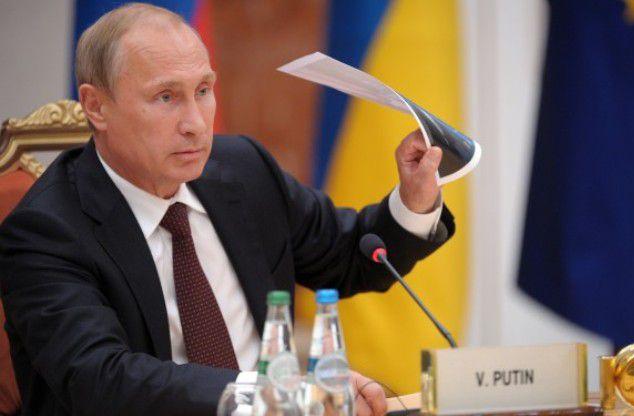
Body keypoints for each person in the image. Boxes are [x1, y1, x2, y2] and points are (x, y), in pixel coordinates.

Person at [0, 4, 454, 416]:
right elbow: (103, 380)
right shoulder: (45, 231)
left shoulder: (243, 170)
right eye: (166, 97)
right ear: (96, 106)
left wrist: (413, 202)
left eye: (203, 90)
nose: (196, 124)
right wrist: (271, 395)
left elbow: (352, 253)